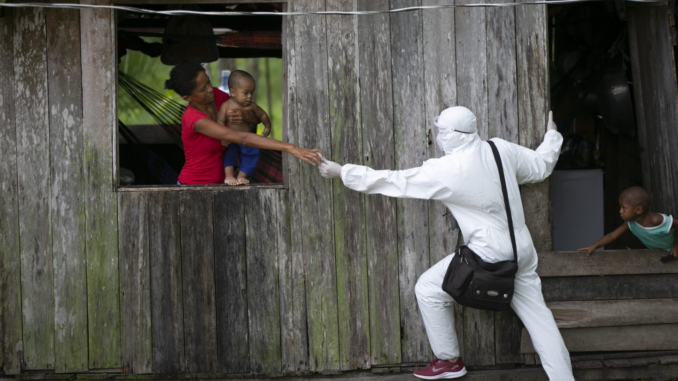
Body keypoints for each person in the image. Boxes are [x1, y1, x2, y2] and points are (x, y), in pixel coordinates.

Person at [318, 107, 574, 380]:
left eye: (442, 132)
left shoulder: (448, 170)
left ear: (453, 135)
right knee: (541, 320)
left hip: (489, 254)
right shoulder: (499, 149)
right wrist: (552, 135)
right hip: (522, 249)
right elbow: (540, 166)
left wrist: (342, 171)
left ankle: (449, 360)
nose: (439, 137)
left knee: (427, 288)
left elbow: (395, 181)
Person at [164, 61, 322, 184]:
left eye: (208, 82)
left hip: (226, 183)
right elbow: (241, 138)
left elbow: (252, 123)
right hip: (194, 187)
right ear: (188, 98)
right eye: (202, 89)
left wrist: (246, 117)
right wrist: (291, 148)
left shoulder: (218, 96)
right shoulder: (193, 118)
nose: (210, 89)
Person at [578, 186, 678, 262]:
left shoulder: (656, 221)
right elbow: (613, 235)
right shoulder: (631, 222)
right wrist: (594, 246)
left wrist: (676, 245)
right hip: (665, 254)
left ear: (638, 210)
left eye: (623, 208)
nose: (620, 211)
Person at [216, 70, 271, 186]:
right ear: (233, 92)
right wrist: (223, 136)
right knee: (229, 155)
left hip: (247, 138)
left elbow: (262, 115)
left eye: (252, 93)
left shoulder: (252, 106)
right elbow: (220, 121)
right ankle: (229, 176)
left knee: (251, 155)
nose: (250, 96)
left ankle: (241, 176)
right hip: (231, 138)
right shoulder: (226, 106)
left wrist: (267, 126)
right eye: (246, 93)